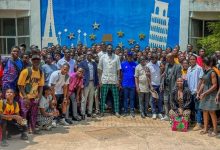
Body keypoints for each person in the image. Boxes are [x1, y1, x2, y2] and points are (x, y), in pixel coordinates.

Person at [18, 54, 44, 134]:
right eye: (34, 60)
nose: (36, 61)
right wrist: (25, 97)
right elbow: (20, 85)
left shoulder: (40, 72)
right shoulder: (25, 71)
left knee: (34, 114)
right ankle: (24, 131)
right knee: (24, 114)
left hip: (34, 97)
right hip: (25, 97)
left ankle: (32, 129)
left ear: (40, 61)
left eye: (37, 60)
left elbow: (41, 85)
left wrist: (39, 95)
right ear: (31, 61)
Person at [198, 57, 219, 137]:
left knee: (212, 112)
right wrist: (199, 92)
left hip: (211, 94)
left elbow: (215, 85)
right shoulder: (205, 72)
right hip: (205, 94)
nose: (201, 64)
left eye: (202, 63)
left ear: (204, 63)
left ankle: (215, 131)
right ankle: (206, 129)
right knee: (205, 111)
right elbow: (203, 83)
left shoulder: (212, 72)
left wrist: (205, 93)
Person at [98, 44, 121, 117]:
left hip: (114, 80)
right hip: (104, 80)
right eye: (108, 48)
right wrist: (100, 80)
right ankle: (102, 111)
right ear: (106, 49)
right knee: (103, 97)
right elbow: (100, 69)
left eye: (110, 48)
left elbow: (118, 70)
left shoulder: (116, 57)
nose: (109, 49)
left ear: (112, 49)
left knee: (116, 97)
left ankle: (117, 111)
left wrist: (118, 80)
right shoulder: (102, 57)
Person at [78, 52, 99, 119]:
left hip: (93, 83)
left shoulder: (94, 63)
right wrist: (81, 83)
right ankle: (83, 113)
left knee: (91, 98)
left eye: (90, 54)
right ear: (86, 55)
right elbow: (80, 74)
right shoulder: (82, 63)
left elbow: (96, 74)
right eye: (88, 54)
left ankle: (89, 112)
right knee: (84, 99)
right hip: (85, 83)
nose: (89, 55)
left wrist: (97, 83)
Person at [161, 53, 182, 121]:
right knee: (165, 101)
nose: (166, 59)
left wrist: (176, 88)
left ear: (172, 58)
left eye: (167, 58)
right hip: (166, 86)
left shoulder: (178, 66)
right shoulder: (167, 65)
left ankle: (172, 116)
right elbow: (165, 74)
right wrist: (162, 83)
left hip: (173, 87)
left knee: (172, 102)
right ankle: (166, 115)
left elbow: (178, 78)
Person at [187, 55, 204, 131]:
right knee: (192, 108)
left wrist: (198, 91)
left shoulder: (199, 68)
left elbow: (201, 80)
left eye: (194, 59)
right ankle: (195, 122)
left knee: (198, 108)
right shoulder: (189, 68)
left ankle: (199, 123)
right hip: (190, 92)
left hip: (197, 92)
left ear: (196, 60)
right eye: (191, 59)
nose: (192, 60)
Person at [147, 53, 163, 119]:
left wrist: (161, 84)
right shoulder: (148, 65)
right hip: (153, 85)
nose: (156, 59)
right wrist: (150, 86)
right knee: (152, 100)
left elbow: (163, 71)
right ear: (151, 58)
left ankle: (160, 113)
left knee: (160, 99)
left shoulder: (159, 63)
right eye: (154, 58)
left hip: (159, 84)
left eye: (157, 58)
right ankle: (154, 113)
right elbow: (148, 77)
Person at [121, 52, 137, 118]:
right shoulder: (123, 64)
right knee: (125, 98)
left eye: (130, 56)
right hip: (125, 84)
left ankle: (132, 111)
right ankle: (125, 111)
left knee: (132, 99)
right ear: (126, 57)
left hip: (132, 84)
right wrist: (121, 83)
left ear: (132, 57)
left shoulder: (135, 64)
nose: (129, 57)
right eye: (128, 56)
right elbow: (121, 74)